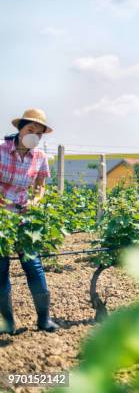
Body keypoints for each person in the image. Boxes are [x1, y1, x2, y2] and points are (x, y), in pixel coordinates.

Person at [0, 108, 59, 334]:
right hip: (1, 221)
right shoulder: (1, 150)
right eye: (30, 130)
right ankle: (7, 323)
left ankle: (44, 319)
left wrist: (35, 201)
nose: (34, 135)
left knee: (33, 266)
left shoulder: (40, 157)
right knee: (1, 269)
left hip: (24, 218)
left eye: (39, 133)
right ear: (19, 129)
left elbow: (41, 186)